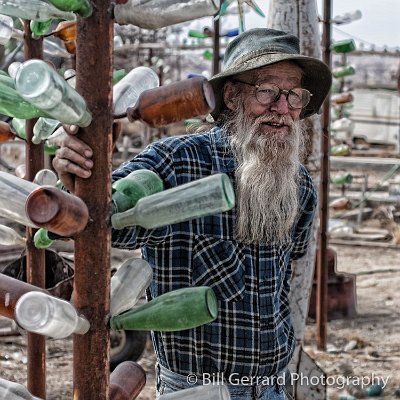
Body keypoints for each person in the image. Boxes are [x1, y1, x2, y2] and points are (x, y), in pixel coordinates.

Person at [53, 28, 331, 400]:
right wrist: (76, 179)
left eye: (294, 96)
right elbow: (102, 221)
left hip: (272, 387)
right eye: (267, 91)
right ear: (232, 96)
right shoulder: (176, 162)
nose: (282, 109)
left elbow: (285, 273)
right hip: (197, 390)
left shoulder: (297, 184)